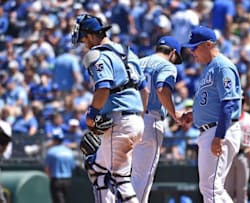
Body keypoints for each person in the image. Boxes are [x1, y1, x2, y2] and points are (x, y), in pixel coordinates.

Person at [72, 14, 147, 203]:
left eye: (82, 39)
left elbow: (103, 87)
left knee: (119, 179)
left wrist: (91, 114)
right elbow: (144, 89)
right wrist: (139, 116)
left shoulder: (98, 55)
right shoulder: (129, 53)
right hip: (135, 120)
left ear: (89, 36)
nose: (83, 43)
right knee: (96, 169)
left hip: (118, 120)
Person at [182, 26, 242, 203]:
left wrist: (219, 136)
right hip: (211, 129)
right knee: (213, 187)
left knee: (210, 188)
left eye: (195, 47)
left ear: (208, 44)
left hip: (219, 130)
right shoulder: (210, 67)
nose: (192, 52)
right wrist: (195, 113)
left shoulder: (223, 67)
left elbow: (228, 103)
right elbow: (214, 100)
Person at [131, 35, 183, 203]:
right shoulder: (167, 65)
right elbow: (162, 90)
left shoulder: (138, 62)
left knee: (124, 175)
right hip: (149, 121)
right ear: (173, 52)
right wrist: (175, 114)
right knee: (142, 177)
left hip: (128, 120)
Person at [44, 133, 75, 203]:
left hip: (56, 180)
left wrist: (49, 178)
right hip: (67, 180)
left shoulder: (51, 151)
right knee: (65, 199)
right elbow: (73, 167)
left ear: (55, 140)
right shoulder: (69, 152)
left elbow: (47, 168)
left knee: (57, 200)